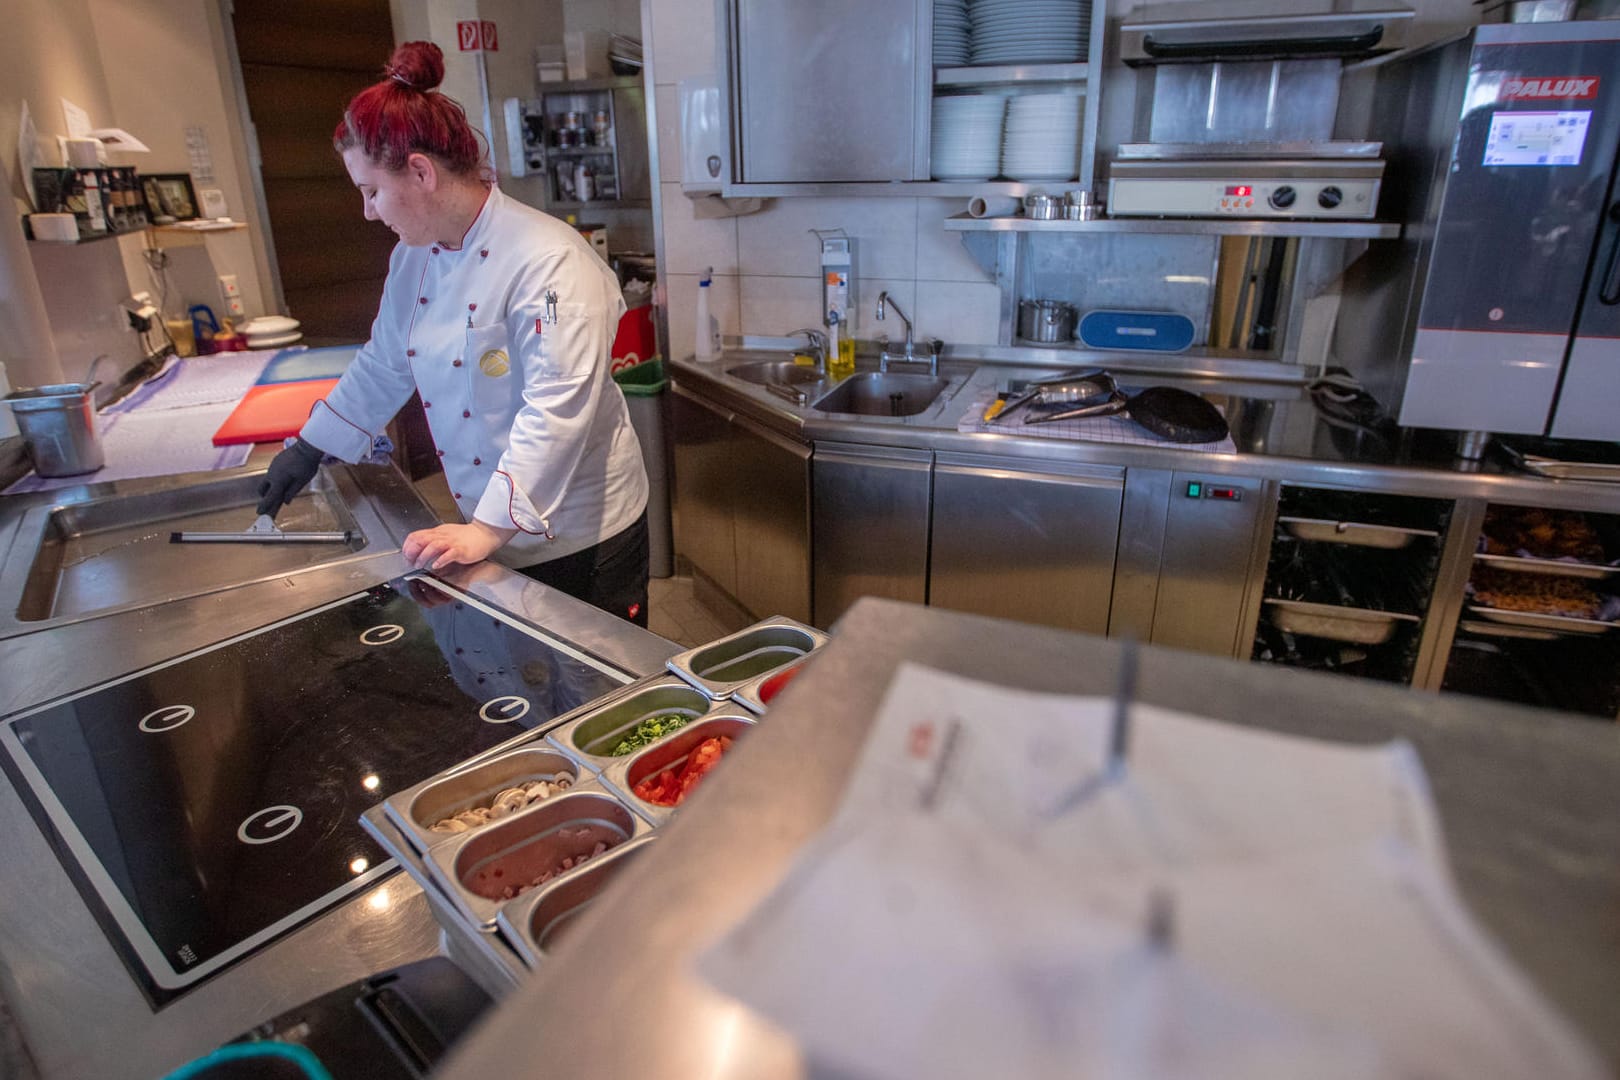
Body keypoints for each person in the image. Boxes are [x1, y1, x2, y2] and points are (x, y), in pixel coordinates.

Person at [255, 41, 651, 626]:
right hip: (488, 526)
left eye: (370, 191)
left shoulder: (549, 261)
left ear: (419, 171)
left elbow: (556, 408)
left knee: (599, 686)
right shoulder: (414, 259)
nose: (367, 211)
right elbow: (386, 361)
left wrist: (487, 529)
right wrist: (311, 447)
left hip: (578, 530)